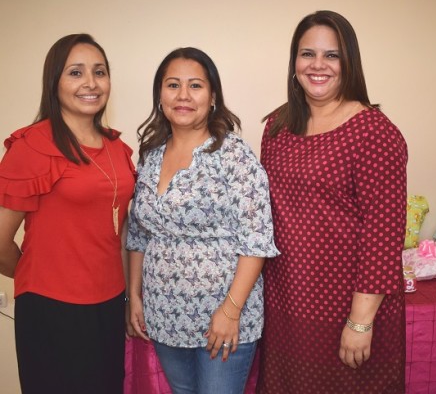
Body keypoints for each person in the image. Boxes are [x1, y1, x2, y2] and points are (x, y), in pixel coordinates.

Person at [257, 10, 408, 393]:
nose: (318, 65)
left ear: (348, 63)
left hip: (349, 309)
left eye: (332, 55)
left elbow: (383, 236)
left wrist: (360, 322)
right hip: (285, 305)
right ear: (294, 64)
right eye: (308, 54)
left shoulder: (374, 133)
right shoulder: (276, 127)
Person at [126, 47, 279, 394]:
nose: (183, 96)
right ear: (160, 95)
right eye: (173, 85)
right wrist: (134, 296)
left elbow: (256, 240)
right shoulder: (150, 155)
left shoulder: (233, 155)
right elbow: (138, 234)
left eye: (195, 86)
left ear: (212, 97)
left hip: (223, 317)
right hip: (163, 313)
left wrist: (230, 311)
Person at [0, 33, 136, 394]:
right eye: (75, 73)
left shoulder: (118, 149)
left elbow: (120, 231)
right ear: (54, 82)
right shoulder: (33, 146)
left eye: (99, 72)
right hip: (51, 308)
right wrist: (40, 276)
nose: (91, 83)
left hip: (109, 303)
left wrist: (127, 295)